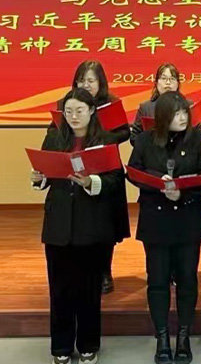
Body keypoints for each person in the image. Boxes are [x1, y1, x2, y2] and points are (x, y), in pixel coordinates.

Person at [32, 88, 128, 364]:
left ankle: (88, 344)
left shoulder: (105, 140)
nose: (74, 116)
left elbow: (115, 180)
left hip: (92, 224)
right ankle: (61, 346)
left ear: (92, 111)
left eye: (79, 111)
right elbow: (46, 174)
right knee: (59, 289)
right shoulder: (54, 138)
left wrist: (90, 182)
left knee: (88, 289)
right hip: (59, 223)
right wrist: (39, 178)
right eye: (69, 111)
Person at [128, 91, 201, 364]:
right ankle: (162, 337)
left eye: (185, 112)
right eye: (176, 114)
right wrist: (158, 181)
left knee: (187, 279)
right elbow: (133, 171)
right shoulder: (145, 140)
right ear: (163, 116)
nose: (182, 118)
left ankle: (184, 336)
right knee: (157, 280)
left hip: (188, 217)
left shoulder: (197, 138)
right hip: (156, 219)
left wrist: (182, 192)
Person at [55, 60, 131, 295]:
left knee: (106, 225)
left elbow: (125, 132)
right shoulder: (66, 103)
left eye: (91, 80)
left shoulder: (112, 103)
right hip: (72, 173)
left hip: (104, 168)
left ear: (101, 83)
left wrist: (100, 136)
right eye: (81, 80)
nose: (86, 85)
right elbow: (54, 131)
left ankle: (104, 271)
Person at [130, 63, 181, 145]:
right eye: (164, 78)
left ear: (178, 84)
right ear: (156, 83)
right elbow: (134, 138)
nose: (168, 82)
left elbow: (198, 137)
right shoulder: (145, 108)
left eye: (172, 79)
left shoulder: (188, 106)